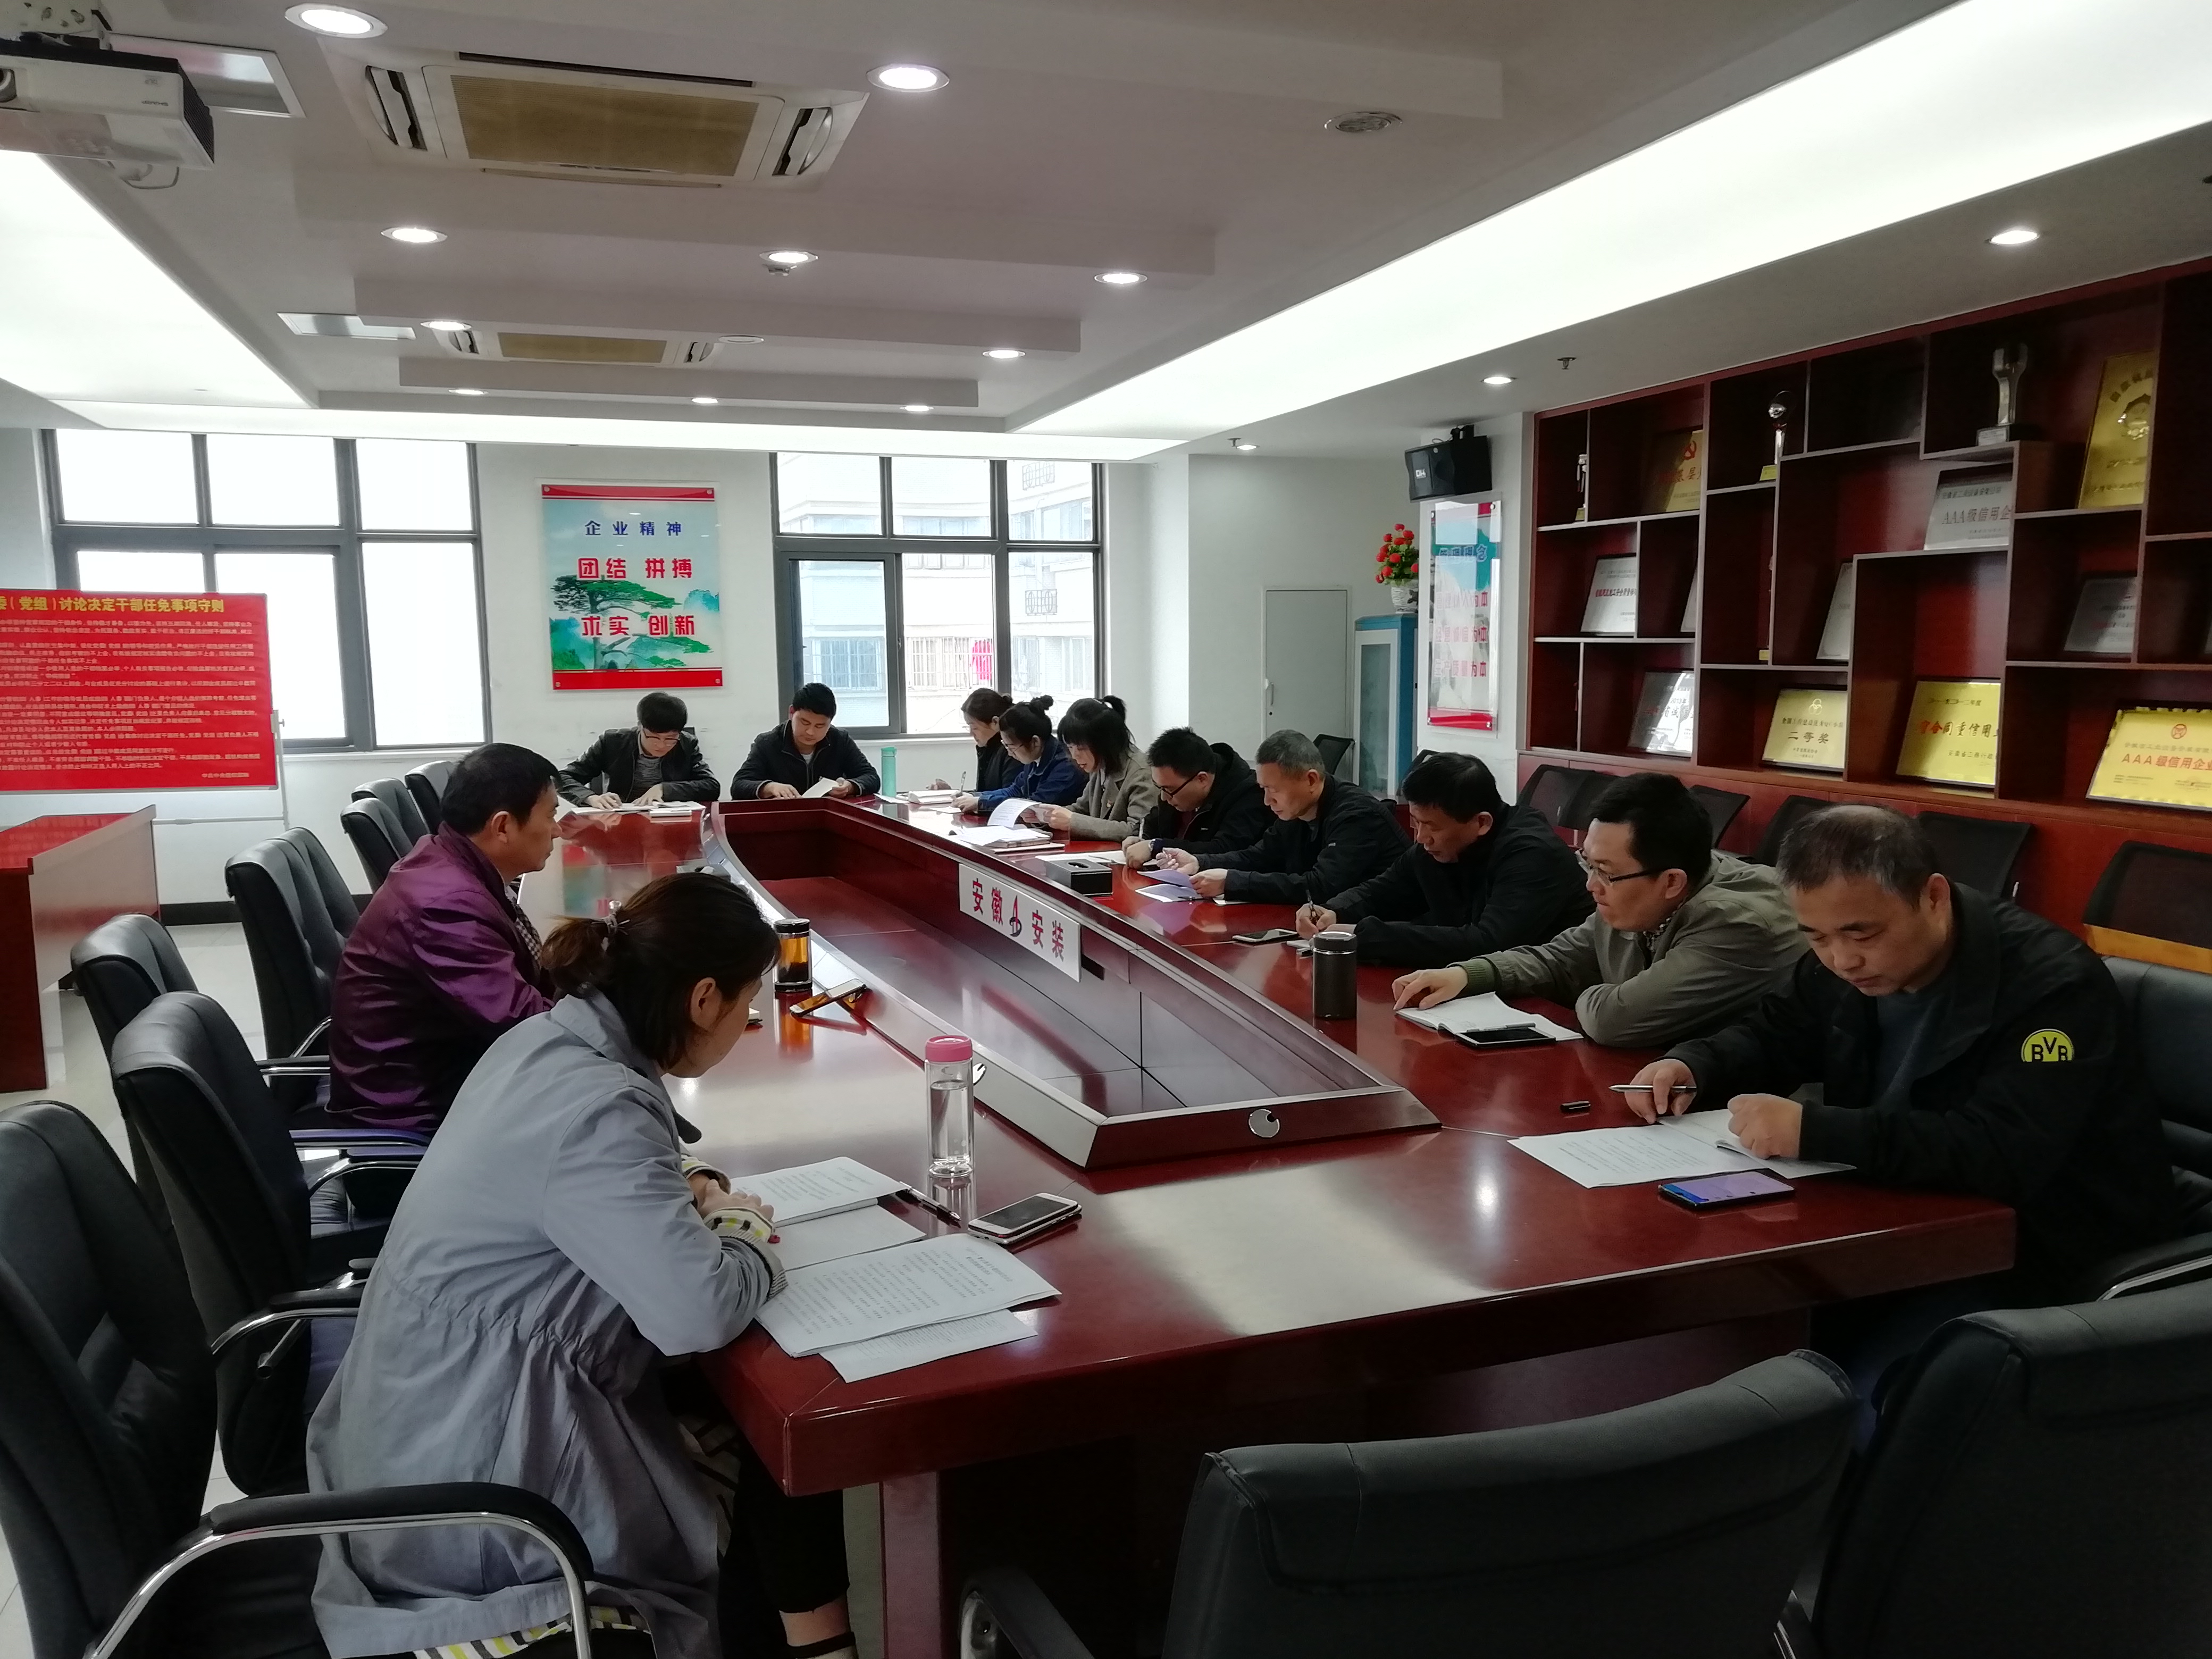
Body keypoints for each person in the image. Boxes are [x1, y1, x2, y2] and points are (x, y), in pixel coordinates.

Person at [308, 873, 854, 1659]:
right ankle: (809, 1637)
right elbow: (695, 1311)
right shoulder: (599, 1107)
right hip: (480, 1509)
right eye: (747, 1004)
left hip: (420, 1419)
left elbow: (591, 1179)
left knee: (765, 1410)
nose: (747, 1022)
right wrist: (745, 1230)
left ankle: (805, 1637)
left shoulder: (546, 1042)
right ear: (704, 999)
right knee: (778, 1396)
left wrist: (689, 1183)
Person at [1630, 804, 2176, 1310]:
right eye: (1816, 937)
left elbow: (2003, 1152)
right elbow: (1777, 1034)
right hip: (1895, 1215)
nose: (1841, 960)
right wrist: (1695, 1064)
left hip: (2036, 1251)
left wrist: (1816, 1132)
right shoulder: (1839, 962)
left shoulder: (2051, 986)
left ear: (1932, 896)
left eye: (1861, 934)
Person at [1392, 771, 1805, 1045]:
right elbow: (1559, 959)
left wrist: (1591, 991)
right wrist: (1468, 974)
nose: (1591, 884)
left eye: (1605, 871)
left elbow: (1615, 1021)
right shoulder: (1639, 886)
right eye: (1588, 863)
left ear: (1672, 882)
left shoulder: (1738, 924)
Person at [329, 743, 559, 1134]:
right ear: (503, 827)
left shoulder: (449, 857)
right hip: (418, 1112)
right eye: (551, 815)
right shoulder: (446, 905)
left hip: (457, 1070)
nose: (557, 829)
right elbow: (526, 1025)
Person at [1296, 752, 1590, 967]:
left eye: (1432, 827)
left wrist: (1362, 935)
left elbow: (1489, 944)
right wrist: (1334, 912)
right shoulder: (1438, 846)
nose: (1421, 838)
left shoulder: (1533, 855)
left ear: (1482, 823)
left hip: (1553, 1000)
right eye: (1416, 823)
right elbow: (1383, 890)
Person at [1157, 728, 1407, 902]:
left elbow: (1321, 886)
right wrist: (1200, 862)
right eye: (1263, 790)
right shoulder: (1297, 810)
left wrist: (1232, 882)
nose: (1267, 801)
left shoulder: (1357, 815)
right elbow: (1259, 855)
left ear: (1311, 780)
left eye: (1274, 790)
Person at [1120, 727, 1271, 867]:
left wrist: (1155, 847)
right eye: (1159, 787)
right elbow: (1151, 821)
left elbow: (1224, 849)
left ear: (1202, 779)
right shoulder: (1176, 787)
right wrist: (1140, 838)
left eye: (1169, 790)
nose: (1164, 798)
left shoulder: (1249, 794)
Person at [559, 691, 720, 808]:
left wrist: (665, 789)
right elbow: (561, 778)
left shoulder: (686, 743)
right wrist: (590, 798)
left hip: (669, 821)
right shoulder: (613, 742)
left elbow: (711, 786)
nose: (661, 745)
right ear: (640, 727)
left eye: (670, 739)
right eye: (654, 738)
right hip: (619, 821)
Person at [731, 683, 881, 799]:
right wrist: (770, 788)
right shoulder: (768, 743)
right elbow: (739, 785)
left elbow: (871, 777)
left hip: (829, 817)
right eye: (805, 722)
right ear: (792, 713)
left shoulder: (840, 740)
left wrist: (850, 787)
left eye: (820, 726)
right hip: (784, 819)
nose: (811, 732)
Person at [1044, 695, 1160, 841]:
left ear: (1104, 744)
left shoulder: (1141, 773)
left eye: (1081, 748)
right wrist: (1044, 816)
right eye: (1070, 747)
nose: (1074, 756)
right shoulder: (1101, 764)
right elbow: (1082, 809)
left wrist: (1073, 822)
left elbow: (1139, 831)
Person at [959, 697, 1083, 815]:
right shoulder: (1034, 757)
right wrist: (976, 797)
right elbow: (1015, 790)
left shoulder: (1065, 765)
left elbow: (1035, 804)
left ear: (1035, 742)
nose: (1009, 753)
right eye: (1006, 746)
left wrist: (982, 803)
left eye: (1012, 747)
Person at [931, 687, 1018, 794]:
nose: (971, 733)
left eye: (974, 727)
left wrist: (966, 797)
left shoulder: (1012, 751)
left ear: (995, 722)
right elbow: (985, 793)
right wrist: (952, 793)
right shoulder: (988, 749)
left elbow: (1010, 797)